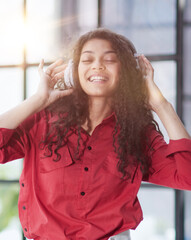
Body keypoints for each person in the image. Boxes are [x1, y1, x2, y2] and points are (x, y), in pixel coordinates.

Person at [0, 28, 191, 240]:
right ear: (74, 71)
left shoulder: (138, 134)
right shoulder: (41, 121)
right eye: (87, 59)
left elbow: (187, 176)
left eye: (109, 60)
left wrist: (161, 104)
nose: (98, 65)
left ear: (126, 72)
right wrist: (37, 100)